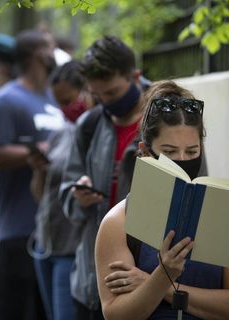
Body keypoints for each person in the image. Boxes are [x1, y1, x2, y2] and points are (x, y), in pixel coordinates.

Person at [95, 80, 229, 319]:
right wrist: (164, 273)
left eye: (191, 151)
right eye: (168, 152)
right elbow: (116, 314)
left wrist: (164, 285)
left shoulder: (221, 213)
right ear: (145, 151)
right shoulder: (118, 222)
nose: (181, 159)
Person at [59, 35, 146, 319]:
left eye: (112, 92)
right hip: (91, 284)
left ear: (135, 76)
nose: (106, 102)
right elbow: (67, 195)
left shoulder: (165, 122)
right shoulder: (89, 125)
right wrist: (77, 196)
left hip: (147, 280)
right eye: (98, 95)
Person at [0, 29, 64, 320]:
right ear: (38, 55)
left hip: (52, 231)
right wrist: (36, 152)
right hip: (18, 230)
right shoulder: (7, 100)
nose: (56, 54)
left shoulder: (53, 98)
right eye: (51, 48)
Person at [28, 60, 94, 320]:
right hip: (46, 244)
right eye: (60, 103)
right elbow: (41, 196)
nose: (65, 109)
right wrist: (39, 170)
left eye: (68, 100)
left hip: (72, 248)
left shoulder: (95, 133)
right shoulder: (61, 133)